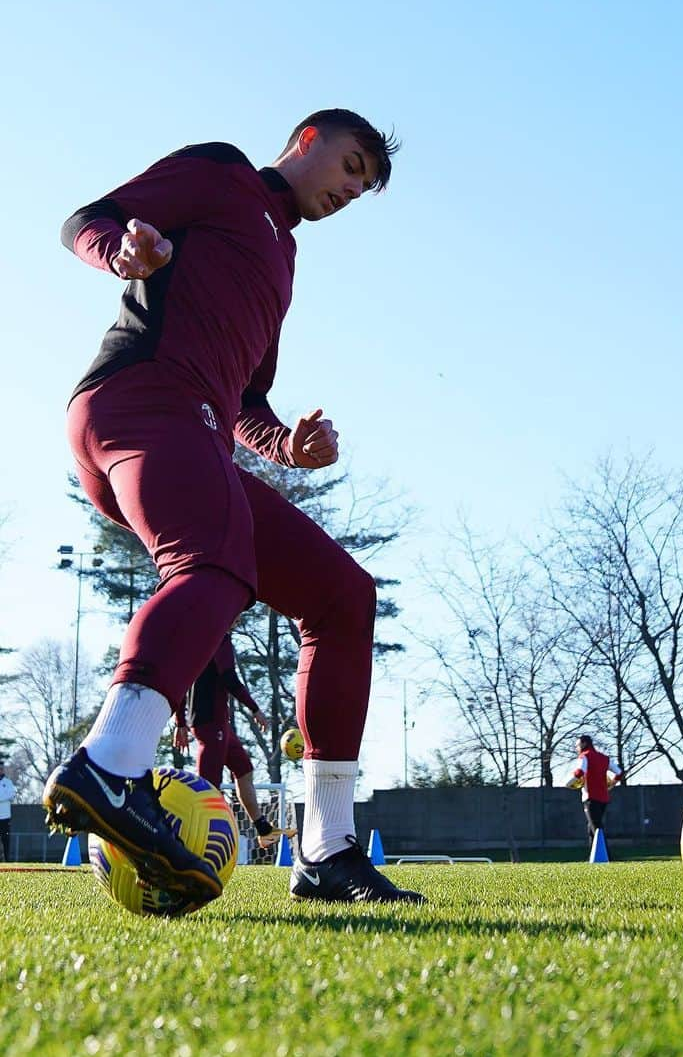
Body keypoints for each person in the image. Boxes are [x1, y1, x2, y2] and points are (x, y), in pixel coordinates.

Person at [44, 109, 422, 906]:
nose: (352, 190)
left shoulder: (281, 258)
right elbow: (88, 219)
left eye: (364, 186)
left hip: (200, 432)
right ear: (307, 142)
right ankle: (110, 766)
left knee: (342, 596)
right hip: (138, 402)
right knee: (214, 565)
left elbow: (248, 400)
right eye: (350, 165)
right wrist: (123, 252)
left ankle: (326, 851)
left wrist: (289, 448)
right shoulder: (220, 173)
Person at [172, 634, 288, 849]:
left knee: (244, 770)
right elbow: (229, 678)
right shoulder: (217, 638)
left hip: (218, 723)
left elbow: (183, 678)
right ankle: (192, 843)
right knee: (208, 788)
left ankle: (263, 829)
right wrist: (255, 709)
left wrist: (180, 721)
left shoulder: (198, 637)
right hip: (210, 723)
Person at [566, 735, 622, 848]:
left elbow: (580, 772)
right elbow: (619, 773)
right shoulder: (604, 758)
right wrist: (611, 785)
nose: (576, 748)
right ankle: (594, 855)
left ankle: (606, 856)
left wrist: (568, 783)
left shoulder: (584, 756)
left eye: (577, 745)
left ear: (584, 744)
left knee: (596, 828)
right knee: (591, 827)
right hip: (604, 798)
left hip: (590, 797)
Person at [0, 762, 15, 861]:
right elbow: (6, 795)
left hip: (5, 816)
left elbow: (11, 795)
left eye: (1, 769)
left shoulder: (8, 782)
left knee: (6, 839)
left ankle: (7, 860)